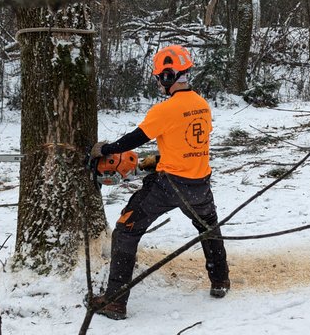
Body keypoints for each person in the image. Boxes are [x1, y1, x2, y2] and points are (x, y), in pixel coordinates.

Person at [89, 44, 230, 320]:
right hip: (200, 185)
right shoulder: (202, 105)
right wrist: (157, 158)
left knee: (126, 230)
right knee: (209, 228)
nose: (158, 83)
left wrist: (106, 150)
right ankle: (220, 280)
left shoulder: (166, 110)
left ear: (167, 76)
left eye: (159, 78)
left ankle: (115, 302)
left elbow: (134, 139)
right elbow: (186, 141)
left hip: (169, 187)